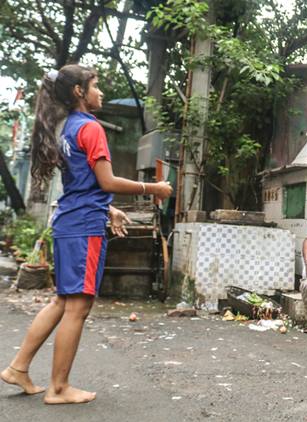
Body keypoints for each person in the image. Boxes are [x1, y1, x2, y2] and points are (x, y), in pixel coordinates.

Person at [1, 65, 172, 405]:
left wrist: (109, 208)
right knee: (78, 306)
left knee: (63, 300)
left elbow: (83, 184)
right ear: (79, 91)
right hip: (82, 228)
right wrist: (154, 187)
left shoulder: (68, 128)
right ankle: (59, 388)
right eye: (95, 86)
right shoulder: (91, 128)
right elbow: (106, 181)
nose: (101, 93)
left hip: (69, 221)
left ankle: (19, 367)